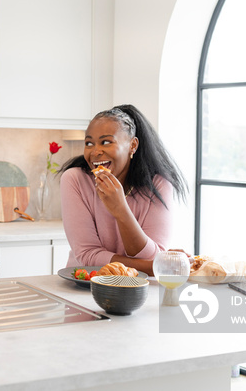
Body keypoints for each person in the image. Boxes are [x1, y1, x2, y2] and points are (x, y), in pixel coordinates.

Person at [59, 105, 187, 276]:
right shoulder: (75, 179)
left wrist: (121, 209)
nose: (95, 151)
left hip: (138, 288)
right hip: (85, 285)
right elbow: (88, 255)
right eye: (89, 143)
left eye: (106, 142)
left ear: (132, 146)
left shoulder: (159, 184)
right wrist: (153, 267)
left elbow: (152, 256)